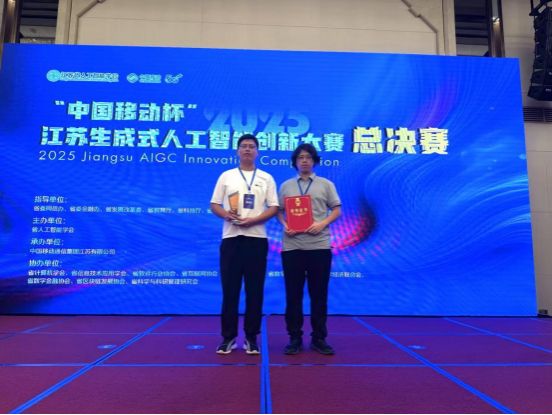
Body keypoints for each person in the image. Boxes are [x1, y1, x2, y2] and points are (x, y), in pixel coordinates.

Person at [210, 134, 279, 354]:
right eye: (243, 146)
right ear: (237, 151)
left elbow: (274, 207)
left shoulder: (266, 178)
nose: (247, 149)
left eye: (251, 146)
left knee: (254, 291)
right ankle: (228, 338)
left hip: (256, 239)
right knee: (230, 290)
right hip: (231, 239)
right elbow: (214, 204)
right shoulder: (227, 176)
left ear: (257, 151)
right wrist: (227, 215)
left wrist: (254, 220)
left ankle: (251, 337)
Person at [278, 143, 341, 355]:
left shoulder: (326, 184)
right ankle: (294, 338)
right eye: (300, 157)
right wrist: (285, 224)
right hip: (292, 247)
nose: (304, 161)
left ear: (314, 161)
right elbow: (278, 210)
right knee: (293, 295)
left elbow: (337, 210)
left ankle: (319, 338)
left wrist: (322, 224)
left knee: (319, 295)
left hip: (319, 246)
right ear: (295, 162)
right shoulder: (286, 186)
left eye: (308, 157)